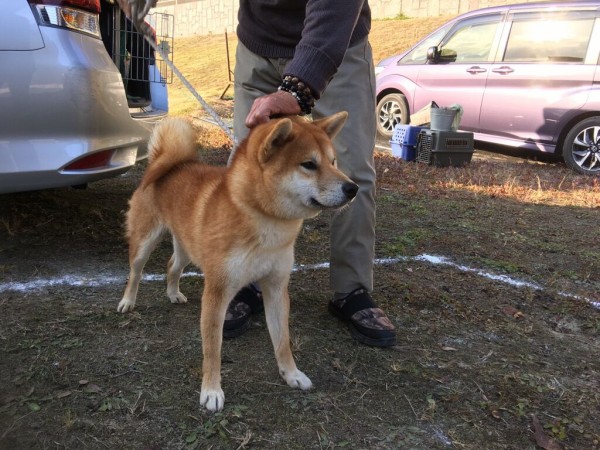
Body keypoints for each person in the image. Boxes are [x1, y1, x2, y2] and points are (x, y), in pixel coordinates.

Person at [223, 0, 397, 347]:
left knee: (351, 169)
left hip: (337, 44)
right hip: (257, 44)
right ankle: (246, 280)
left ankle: (351, 288)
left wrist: (298, 88)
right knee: (247, 166)